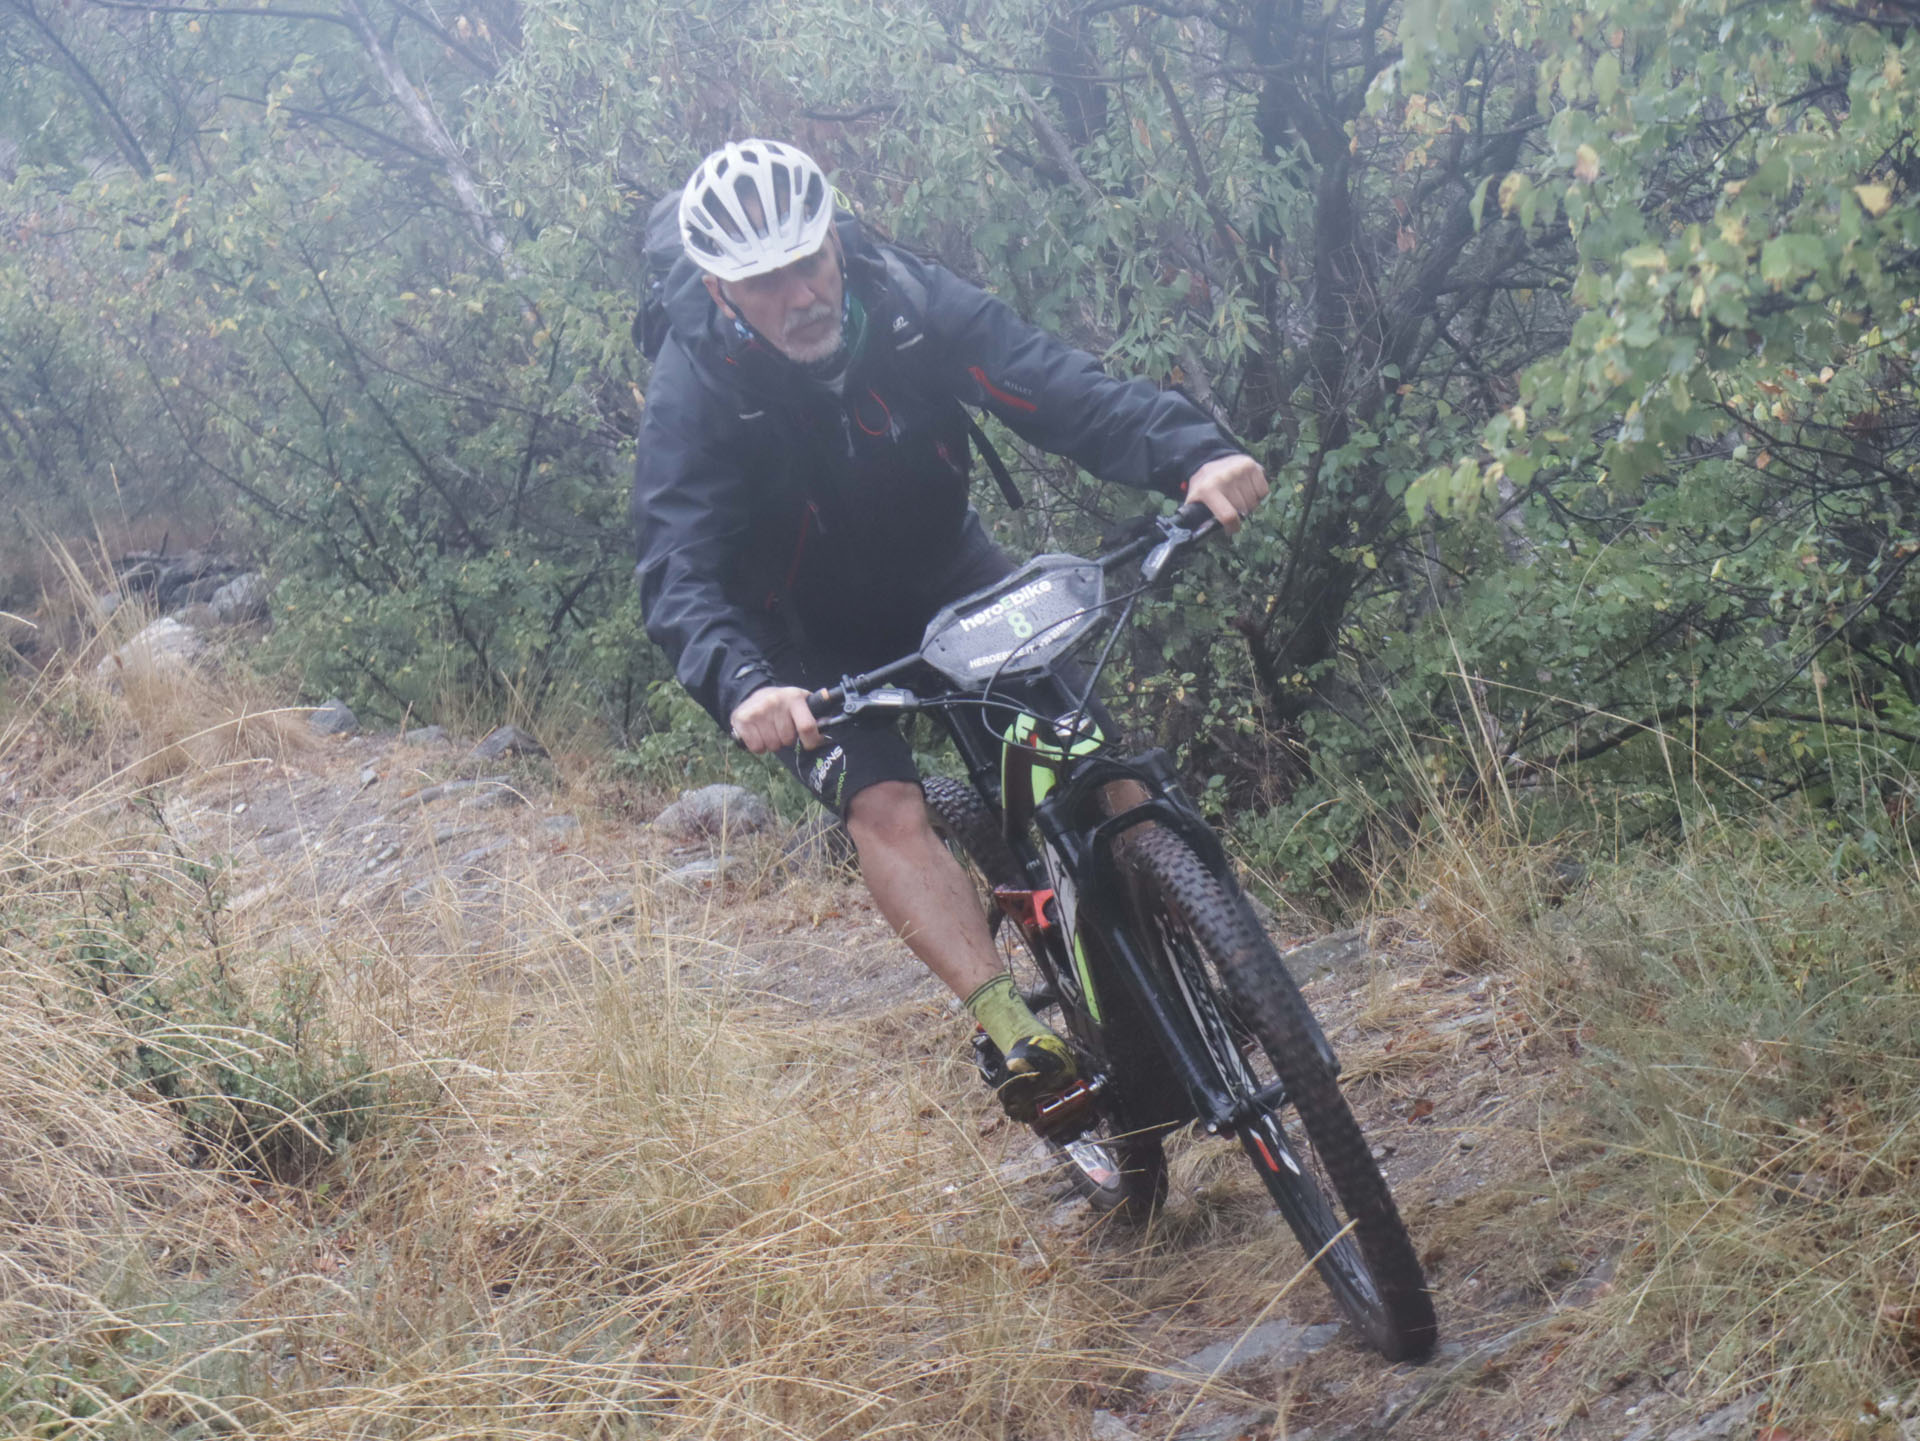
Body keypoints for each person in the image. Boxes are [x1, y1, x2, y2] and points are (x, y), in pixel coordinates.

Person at [633, 139, 1268, 1118]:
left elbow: (1050, 382)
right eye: (764, 283)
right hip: (803, 638)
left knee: (1091, 759)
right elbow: (676, 565)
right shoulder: (696, 389)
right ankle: (1013, 1026)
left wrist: (1193, 454)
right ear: (721, 291)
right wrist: (744, 684)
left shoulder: (904, 299)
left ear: (835, 242)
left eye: (809, 262)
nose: (799, 295)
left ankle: (1186, 939)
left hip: (944, 568)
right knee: (886, 805)